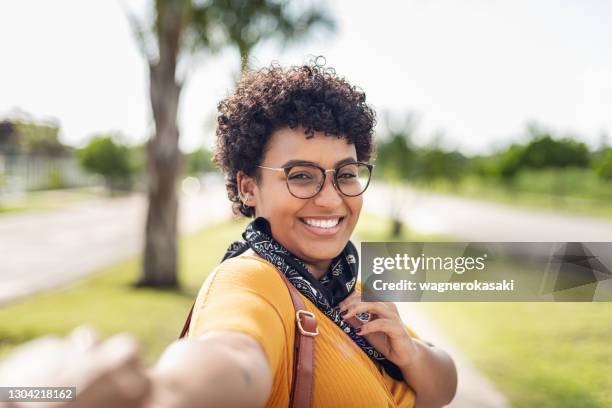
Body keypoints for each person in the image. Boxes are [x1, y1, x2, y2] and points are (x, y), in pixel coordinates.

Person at [175, 61, 458, 407]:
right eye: (301, 176)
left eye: (347, 174)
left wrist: (408, 353)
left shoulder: (344, 284)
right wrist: (164, 393)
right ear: (248, 187)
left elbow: (443, 388)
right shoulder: (250, 279)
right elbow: (232, 356)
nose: (330, 199)